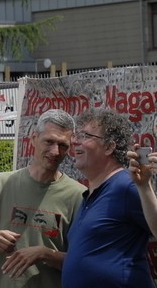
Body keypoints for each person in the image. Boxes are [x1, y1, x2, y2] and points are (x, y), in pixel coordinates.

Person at [0, 108, 86, 288]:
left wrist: (45, 254)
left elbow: (84, 262)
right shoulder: (1, 183)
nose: (55, 151)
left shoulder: (78, 195)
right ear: (33, 138)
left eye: (63, 145)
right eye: (49, 142)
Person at [61, 108, 155, 287]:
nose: (74, 141)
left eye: (85, 135)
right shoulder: (89, 195)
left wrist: (145, 188)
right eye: (76, 135)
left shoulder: (126, 186)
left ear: (110, 146)